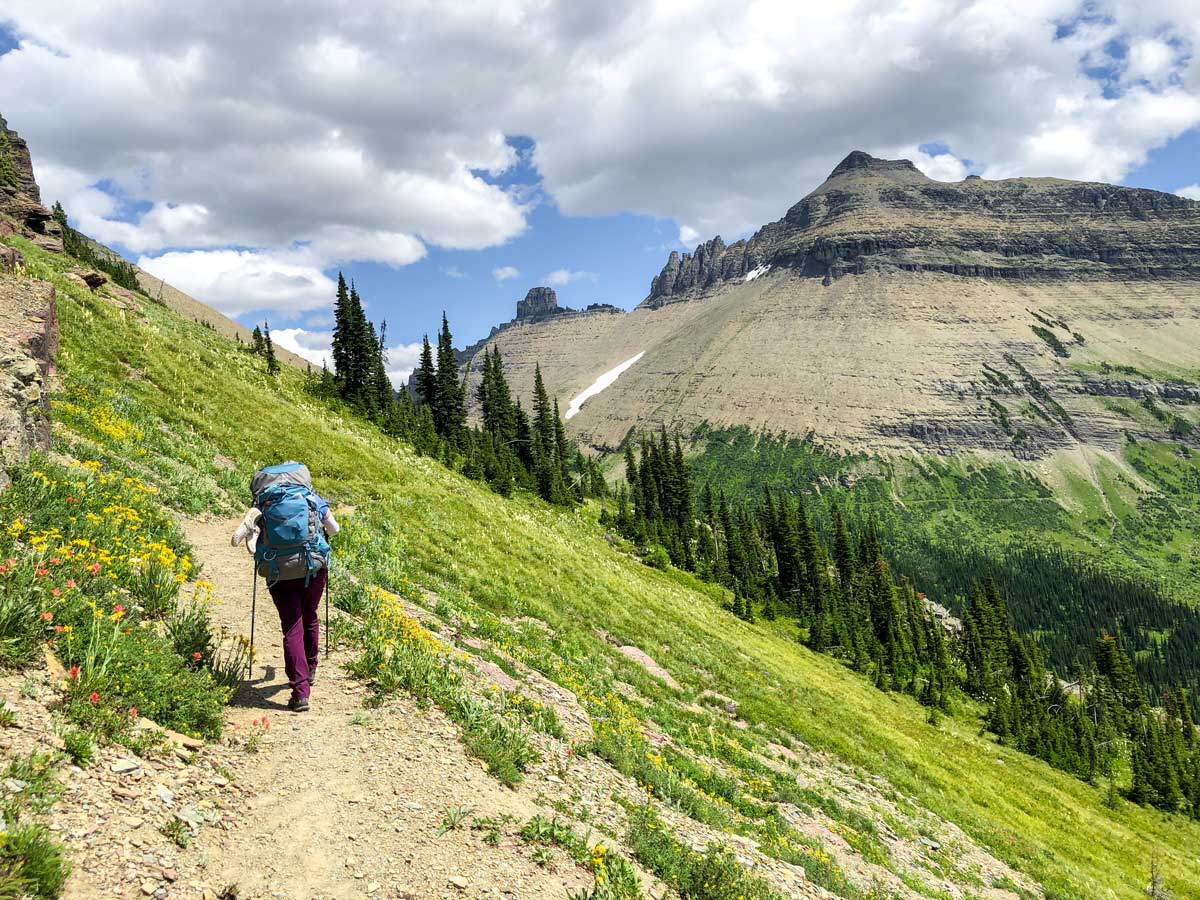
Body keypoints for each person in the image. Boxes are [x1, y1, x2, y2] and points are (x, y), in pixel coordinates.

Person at [231, 462, 339, 712]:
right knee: (309, 616)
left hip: (278, 570)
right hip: (313, 565)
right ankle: (310, 668)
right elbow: (335, 528)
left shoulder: (262, 503)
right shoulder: (311, 498)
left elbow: (251, 534)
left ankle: (300, 691)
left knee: (292, 626)